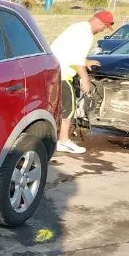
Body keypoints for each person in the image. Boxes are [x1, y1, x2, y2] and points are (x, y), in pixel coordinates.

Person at [49, 10, 113, 154]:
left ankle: (57, 138)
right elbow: (76, 60)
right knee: (69, 107)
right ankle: (63, 141)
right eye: (104, 27)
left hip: (54, 70)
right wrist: (85, 79)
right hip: (62, 73)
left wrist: (86, 61)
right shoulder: (86, 34)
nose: (102, 30)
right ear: (99, 22)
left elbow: (69, 52)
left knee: (60, 107)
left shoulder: (78, 28)